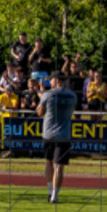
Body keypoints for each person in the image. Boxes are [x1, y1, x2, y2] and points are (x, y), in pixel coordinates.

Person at [37, 71, 78, 204]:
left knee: (49, 162)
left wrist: (41, 96)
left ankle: (50, 190)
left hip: (48, 133)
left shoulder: (48, 94)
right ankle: (55, 195)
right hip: (64, 134)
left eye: (52, 80)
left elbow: (40, 112)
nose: (50, 82)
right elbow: (72, 112)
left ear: (57, 80)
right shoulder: (72, 96)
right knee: (59, 166)